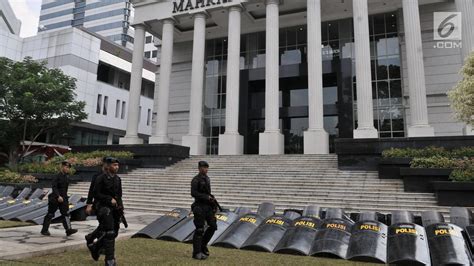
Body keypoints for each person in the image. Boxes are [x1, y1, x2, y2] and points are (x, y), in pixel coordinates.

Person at [93, 157, 123, 266]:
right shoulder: (101, 178)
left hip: (115, 209)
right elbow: (96, 194)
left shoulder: (118, 179)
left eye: (117, 165)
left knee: (114, 231)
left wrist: (121, 209)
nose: (117, 167)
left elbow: (119, 196)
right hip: (103, 208)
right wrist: (109, 199)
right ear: (109, 166)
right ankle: (110, 260)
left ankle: (95, 246)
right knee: (109, 232)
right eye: (114, 165)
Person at [41, 161, 78, 236]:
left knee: (66, 213)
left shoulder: (66, 177)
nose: (67, 169)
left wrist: (65, 198)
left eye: (68, 168)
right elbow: (54, 187)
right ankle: (44, 230)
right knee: (50, 214)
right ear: (62, 167)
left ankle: (68, 229)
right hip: (55, 198)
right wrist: (58, 196)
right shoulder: (57, 176)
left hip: (63, 197)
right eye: (66, 167)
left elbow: (65, 189)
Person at [191, 161, 218, 260]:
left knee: (213, 226)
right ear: (199, 168)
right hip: (199, 206)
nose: (205, 169)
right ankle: (196, 252)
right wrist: (206, 197)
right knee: (199, 229)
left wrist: (212, 201)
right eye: (203, 167)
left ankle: (203, 245)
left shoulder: (207, 178)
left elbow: (208, 193)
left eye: (207, 167)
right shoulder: (195, 180)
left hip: (208, 207)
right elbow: (193, 193)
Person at [85, 157, 108, 259]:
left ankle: (91, 237)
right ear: (103, 164)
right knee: (104, 225)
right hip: (99, 205)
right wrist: (89, 204)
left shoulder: (111, 175)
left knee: (104, 226)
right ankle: (101, 247)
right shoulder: (97, 176)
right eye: (106, 163)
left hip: (108, 205)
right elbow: (91, 191)